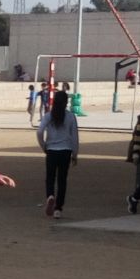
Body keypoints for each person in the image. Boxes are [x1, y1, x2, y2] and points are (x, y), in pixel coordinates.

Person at [38, 89, 79, 218]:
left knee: (50, 177)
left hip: (51, 150)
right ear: (66, 102)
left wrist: (43, 145)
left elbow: (39, 131)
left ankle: (50, 195)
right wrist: (75, 153)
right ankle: (58, 209)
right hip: (66, 151)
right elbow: (74, 136)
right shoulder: (71, 117)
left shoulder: (48, 116)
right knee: (62, 180)